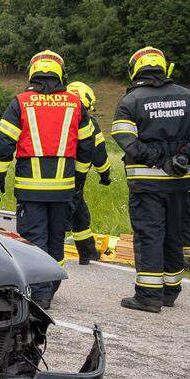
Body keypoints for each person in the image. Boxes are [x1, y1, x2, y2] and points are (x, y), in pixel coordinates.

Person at [0, 51, 96, 309]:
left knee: (34, 239)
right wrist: (79, 178)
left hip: (30, 188)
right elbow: (87, 146)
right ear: (60, 74)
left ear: (32, 73)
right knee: (56, 238)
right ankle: (50, 288)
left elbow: (4, 144)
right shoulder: (74, 104)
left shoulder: (20, 103)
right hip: (63, 189)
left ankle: (39, 294)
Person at [111, 46, 190, 313]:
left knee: (149, 235)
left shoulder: (131, 102)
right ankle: (170, 292)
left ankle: (148, 296)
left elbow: (126, 141)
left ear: (135, 69)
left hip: (147, 184)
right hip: (180, 182)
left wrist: (158, 160)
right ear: (163, 68)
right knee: (173, 234)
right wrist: (183, 158)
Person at [64, 81, 113, 264]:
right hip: (77, 175)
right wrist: (105, 174)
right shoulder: (90, 122)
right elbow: (98, 152)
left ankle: (87, 252)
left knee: (79, 212)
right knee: (67, 212)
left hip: (52, 172)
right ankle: (49, 253)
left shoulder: (56, 115)